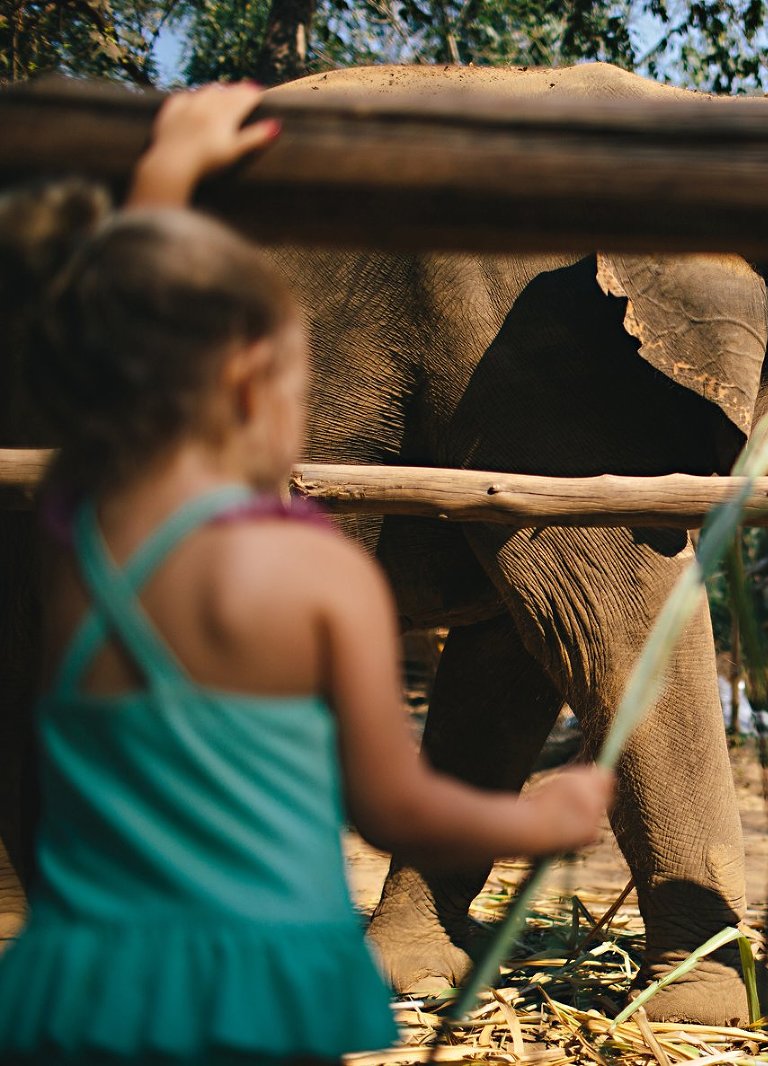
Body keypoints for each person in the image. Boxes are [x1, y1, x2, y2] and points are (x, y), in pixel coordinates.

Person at [0, 84, 614, 1066]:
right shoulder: (317, 574)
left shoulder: (89, 527)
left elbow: (122, 339)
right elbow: (388, 805)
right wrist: (534, 815)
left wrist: (169, 174)